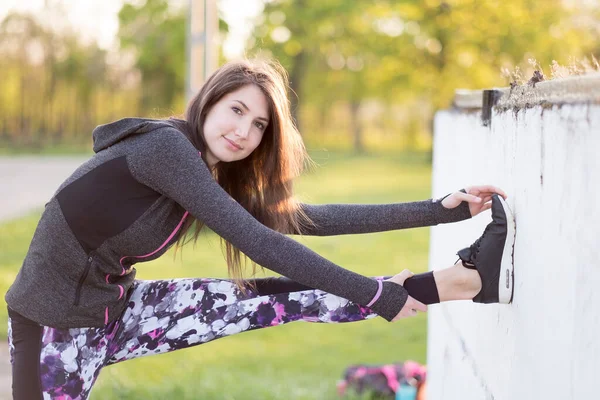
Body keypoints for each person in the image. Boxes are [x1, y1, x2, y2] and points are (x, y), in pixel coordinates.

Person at [5, 59, 515, 399]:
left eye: (259, 126)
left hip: (117, 307)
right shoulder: (164, 149)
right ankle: (453, 282)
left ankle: (464, 280)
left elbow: (302, 220)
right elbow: (262, 243)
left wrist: (438, 209)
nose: (244, 133)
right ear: (210, 99)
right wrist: (374, 296)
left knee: (277, 297)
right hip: (54, 327)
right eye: (237, 111)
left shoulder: (201, 171)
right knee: (284, 286)